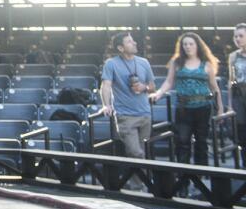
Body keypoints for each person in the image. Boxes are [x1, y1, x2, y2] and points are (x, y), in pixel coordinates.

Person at [151, 32, 223, 167]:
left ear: (197, 45)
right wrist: (158, 93)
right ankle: (184, 178)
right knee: (182, 142)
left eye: (191, 44)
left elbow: (215, 89)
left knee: (201, 142)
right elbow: (169, 82)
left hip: (203, 107)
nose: (188, 47)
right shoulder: (176, 62)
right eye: (185, 44)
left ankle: (201, 175)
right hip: (183, 107)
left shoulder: (206, 64)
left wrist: (220, 109)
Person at [97, 31, 156, 159]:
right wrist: (106, 105)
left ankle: (140, 179)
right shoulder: (111, 63)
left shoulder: (144, 62)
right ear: (120, 48)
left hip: (145, 114)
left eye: (133, 40)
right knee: (136, 153)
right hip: (125, 116)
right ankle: (141, 179)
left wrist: (143, 87)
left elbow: (152, 87)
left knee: (143, 153)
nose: (134, 42)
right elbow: (106, 85)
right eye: (129, 41)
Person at [229, 24, 246, 161]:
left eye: (241, 36)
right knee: (241, 130)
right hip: (239, 95)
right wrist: (229, 104)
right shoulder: (233, 56)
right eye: (236, 36)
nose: (238, 39)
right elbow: (231, 81)